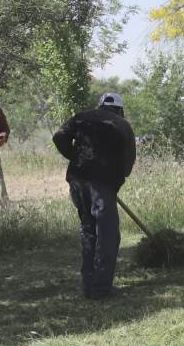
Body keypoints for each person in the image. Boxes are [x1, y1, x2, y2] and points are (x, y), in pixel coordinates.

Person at [52, 92, 136, 299]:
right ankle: (101, 288)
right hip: (102, 185)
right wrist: (114, 176)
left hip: (78, 181)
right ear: (119, 109)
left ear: (100, 106)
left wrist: (75, 156)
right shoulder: (122, 125)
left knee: (88, 229)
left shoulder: (81, 117)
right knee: (108, 235)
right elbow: (127, 165)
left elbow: (59, 136)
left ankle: (88, 284)